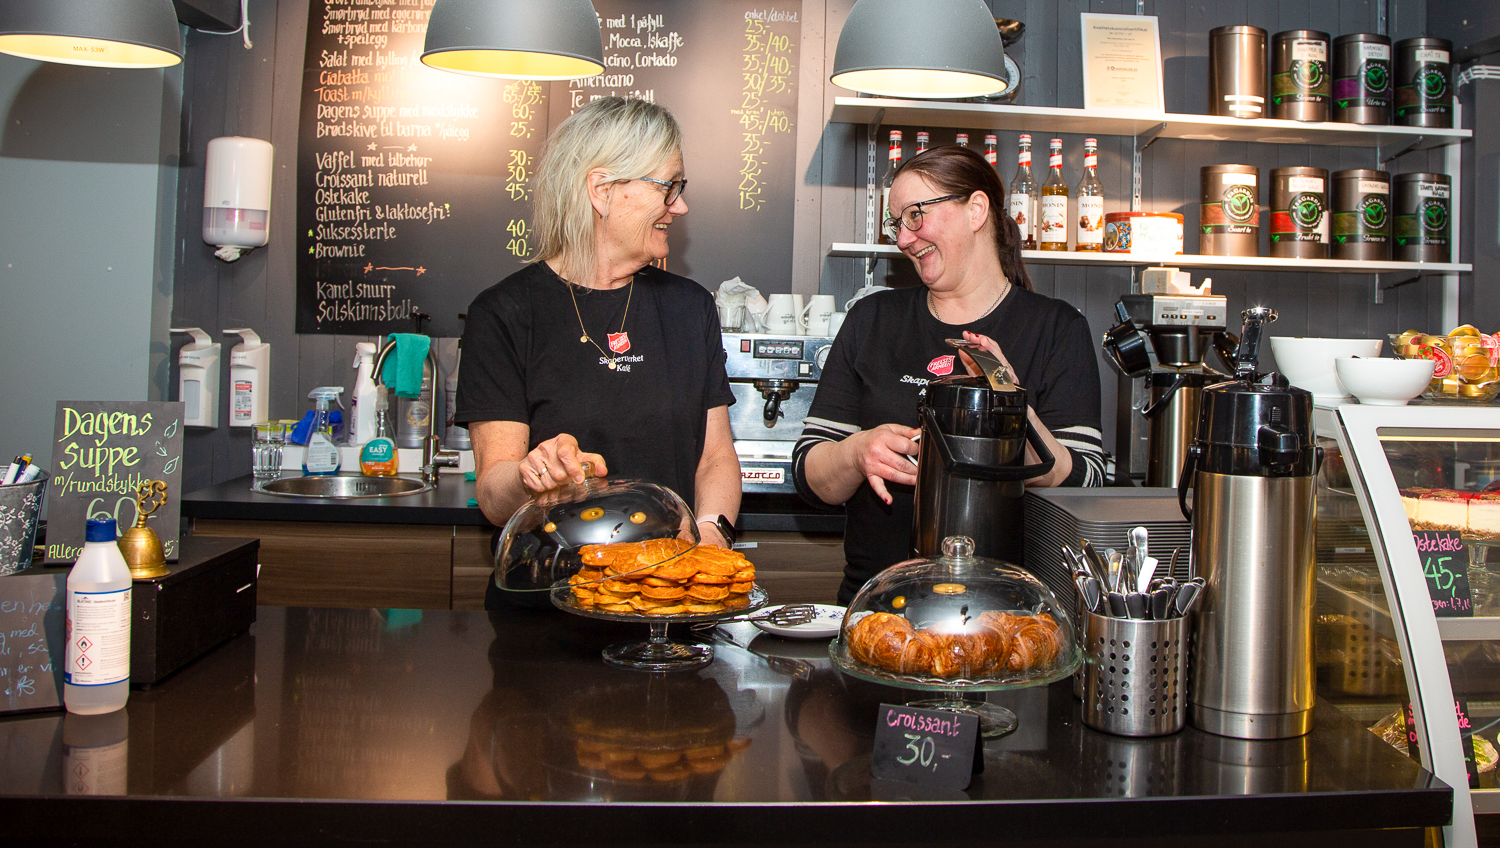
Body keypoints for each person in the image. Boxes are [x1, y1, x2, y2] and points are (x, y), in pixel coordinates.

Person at [457, 97, 741, 607]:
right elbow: (496, 494)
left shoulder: (690, 308)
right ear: (603, 190)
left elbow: (715, 457)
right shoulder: (504, 313)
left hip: (666, 607)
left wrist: (710, 535)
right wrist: (532, 477)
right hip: (547, 605)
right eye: (668, 187)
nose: (680, 206)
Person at [794, 144, 1106, 601]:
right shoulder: (872, 319)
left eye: (916, 215)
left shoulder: (1056, 328)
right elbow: (808, 470)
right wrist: (857, 452)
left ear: (976, 210)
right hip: (875, 612)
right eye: (896, 222)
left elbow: (1088, 480)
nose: (902, 239)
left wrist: (1006, 406)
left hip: (1007, 617)